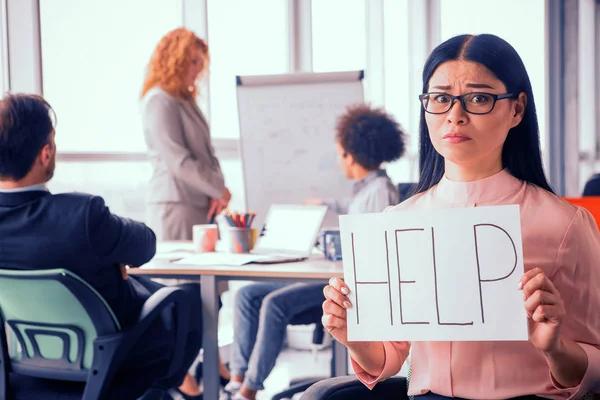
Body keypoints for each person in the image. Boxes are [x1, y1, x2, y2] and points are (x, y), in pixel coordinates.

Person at [322, 34, 600, 399]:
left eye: (479, 98)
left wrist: (554, 346)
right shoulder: (397, 221)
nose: (455, 115)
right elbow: (388, 357)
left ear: (516, 109)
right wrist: (353, 336)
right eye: (440, 99)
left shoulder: (564, 224)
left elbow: (594, 366)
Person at [0, 93, 205, 399]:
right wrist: (107, 249)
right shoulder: (81, 215)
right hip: (114, 361)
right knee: (189, 300)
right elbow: (145, 246)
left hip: (22, 367)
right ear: (45, 153)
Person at [222, 104, 406, 400]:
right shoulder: (367, 189)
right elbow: (351, 210)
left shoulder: (380, 192)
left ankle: (248, 391)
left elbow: (371, 249)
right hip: (334, 275)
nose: (338, 160)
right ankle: (237, 378)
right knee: (247, 295)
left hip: (345, 285)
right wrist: (323, 204)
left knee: (274, 303)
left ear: (350, 154)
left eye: (339, 153)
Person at [141, 27, 231, 240]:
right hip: (176, 205)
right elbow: (179, 161)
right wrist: (218, 189)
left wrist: (216, 191)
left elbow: (206, 153)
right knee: (180, 273)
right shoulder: (159, 101)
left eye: (201, 62)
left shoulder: (186, 101)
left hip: (199, 204)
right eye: (193, 62)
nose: (199, 69)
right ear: (174, 61)